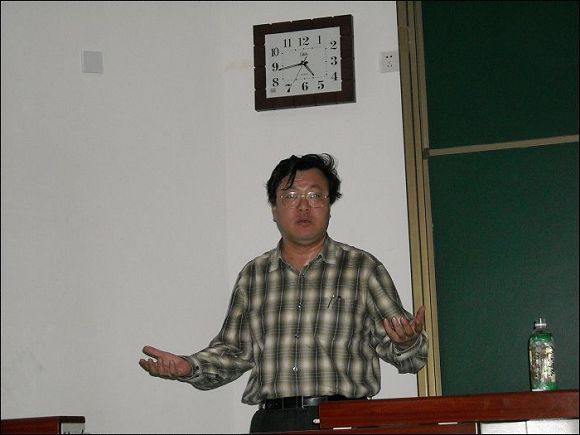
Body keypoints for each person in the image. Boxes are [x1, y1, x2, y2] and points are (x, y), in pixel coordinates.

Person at [139, 153, 428, 433]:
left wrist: (407, 342)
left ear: (329, 205)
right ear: (275, 210)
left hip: (344, 420)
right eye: (290, 196)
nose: (303, 206)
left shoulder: (362, 269)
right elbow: (233, 352)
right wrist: (188, 366)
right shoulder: (254, 275)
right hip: (273, 422)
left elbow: (411, 358)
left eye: (315, 195)